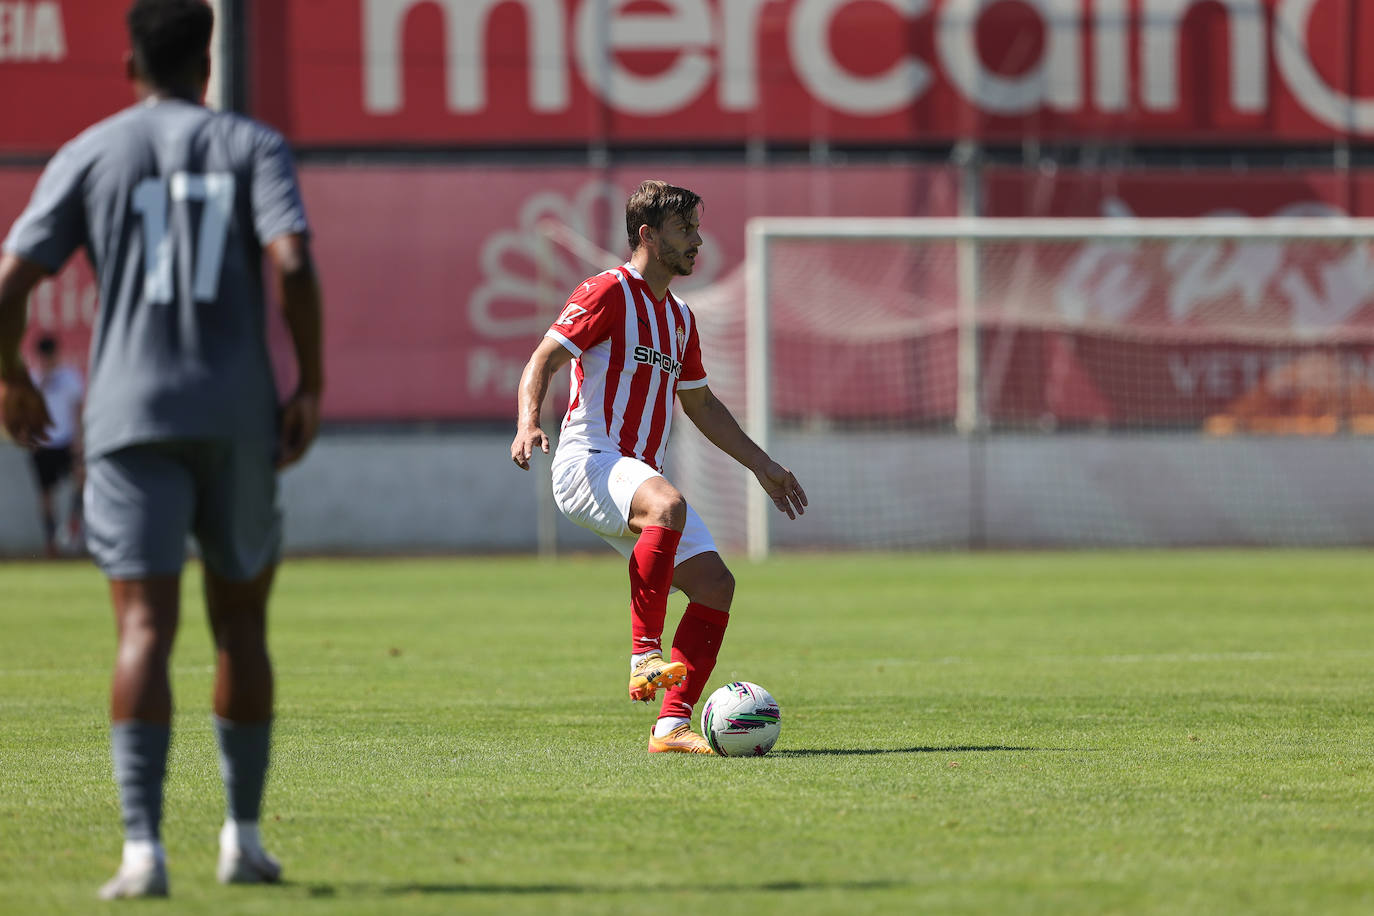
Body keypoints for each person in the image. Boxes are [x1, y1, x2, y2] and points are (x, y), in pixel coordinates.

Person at [0, 0, 324, 899]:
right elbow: (293, 265)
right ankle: (243, 839)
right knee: (242, 625)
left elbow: (10, 279)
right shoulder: (252, 147)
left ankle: (142, 851)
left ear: (130, 65)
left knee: (143, 626)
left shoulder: (92, 151)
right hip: (236, 417)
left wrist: (11, 380)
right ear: (207, 62)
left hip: (130, 419)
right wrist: (312, 384)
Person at [510, 180, 807, 755]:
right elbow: (543, 358)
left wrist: (761, 465)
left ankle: (671, 727)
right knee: (666, 503)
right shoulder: (607, 292)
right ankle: (644, 655)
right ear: (647, 235)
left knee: (716, 586)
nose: (698, 241)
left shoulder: (678, 318)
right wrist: (527, 423)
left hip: (631, 473)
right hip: (586, 460)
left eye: (697, 228)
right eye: (685, 230)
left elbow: (699, 403)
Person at [25, 333, 85, 557]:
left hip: (66, 442)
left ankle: (73, 524)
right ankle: (51, 541)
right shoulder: (32, 379)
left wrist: (79, 441)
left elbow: (77, 410)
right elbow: (26, 412)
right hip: (43, 444)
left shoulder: (70, 377)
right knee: (46, 494)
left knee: (80, 479)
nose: (48, 361)